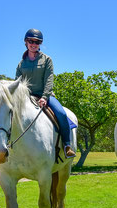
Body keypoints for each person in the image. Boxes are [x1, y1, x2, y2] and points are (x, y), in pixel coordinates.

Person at [15, 28, 76, 159]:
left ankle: (67, 145)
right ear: (26, 42)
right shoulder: (21, 64)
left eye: (37, 42)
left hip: (45, 95)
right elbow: (17, 83)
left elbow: (49, 79)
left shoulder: (47, 60)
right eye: (31, 41)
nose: (34, 44)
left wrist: (44, 96)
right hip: (26, 97)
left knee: (61, 113)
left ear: (40, 44)